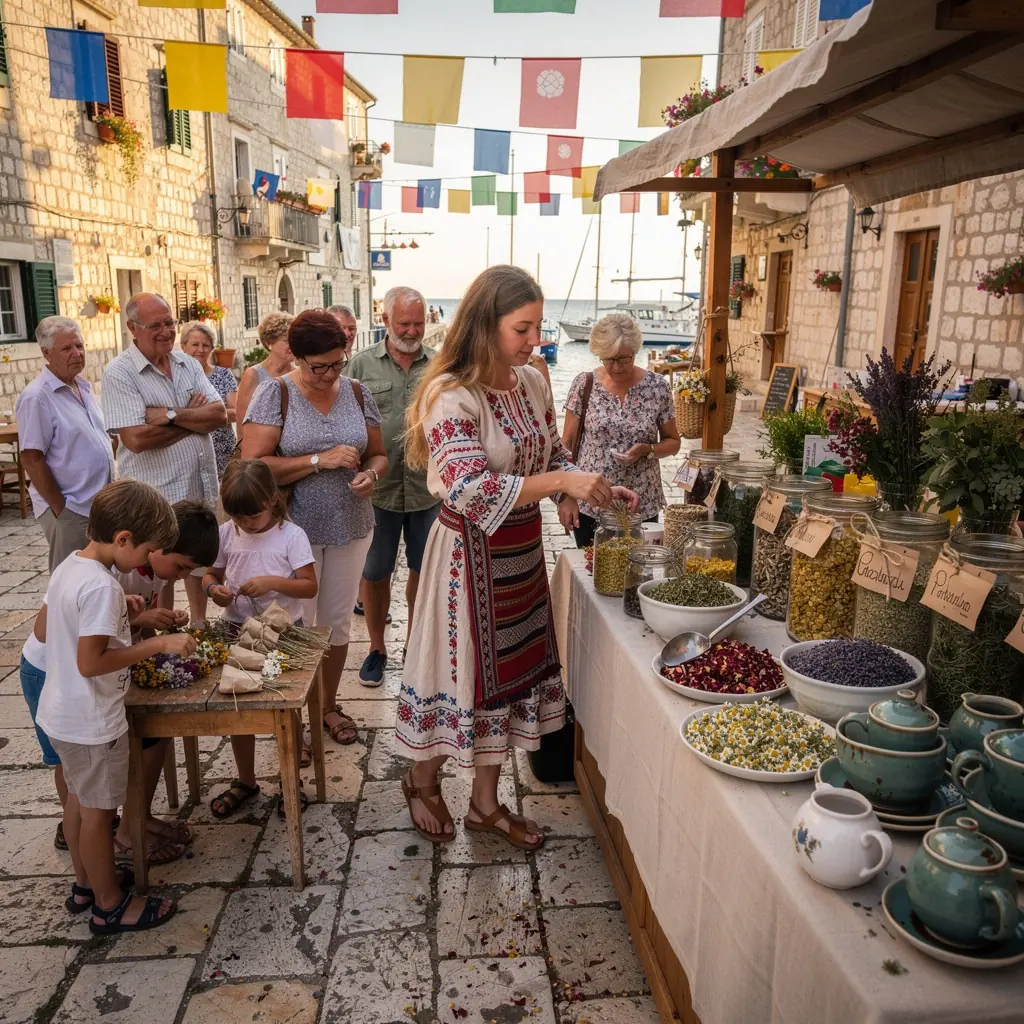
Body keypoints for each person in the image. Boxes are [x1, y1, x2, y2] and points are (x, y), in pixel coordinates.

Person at [397, 266, 636, 847]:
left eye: (537, 326)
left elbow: (551, 454)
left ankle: (485, 803)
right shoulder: (449, 395)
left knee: (511, 680)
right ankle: (421, 779)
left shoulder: (531, 381)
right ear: (485, 325)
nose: (534, 340)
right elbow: (471, 489)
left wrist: (586, 486)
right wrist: (561, 482)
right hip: (467, 559)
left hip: (521, 551)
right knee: (464, 675)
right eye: (522, 329)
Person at [35, 479, 196, 934]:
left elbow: (48, 628)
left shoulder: (71, 565)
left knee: (79, 804)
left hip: (61, 713)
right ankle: (109, 906)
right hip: (91, 722)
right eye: (147, 550)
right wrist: (157, 644)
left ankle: (86, 886)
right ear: (123, 539)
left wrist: (119, 610)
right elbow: (92, 663)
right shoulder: (101, 587)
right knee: (99, 816)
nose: (148, 560)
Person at [23, 500, 219, 860]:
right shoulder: (105, 577)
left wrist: (137, 620)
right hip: (51, 673)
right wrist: (149, 637)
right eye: (179, 567)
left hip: (78, 683)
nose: (178, 577)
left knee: (93, 785)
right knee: (78, 786)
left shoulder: (95, 566)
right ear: (142, 544)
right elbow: (54, 634)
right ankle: (97, 848)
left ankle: (114, 838)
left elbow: (95, 631)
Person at [243, 310, 388, 752]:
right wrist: (317, 461)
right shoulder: (275, 394)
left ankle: (327, 706)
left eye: (337, 363)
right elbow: (253, 464)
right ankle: (289, 717)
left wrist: (372, 475)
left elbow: (379, 453)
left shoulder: (358, 392)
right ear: (296, 357)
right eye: (318, 367)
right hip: (293, 532)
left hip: (351, 526)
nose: (329, 375)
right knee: (290, 624)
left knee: (336, 623)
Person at [101, 293, 227, 625]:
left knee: (195, 562)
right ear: (132, 328)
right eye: (155, 325)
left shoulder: (188, 364)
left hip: (198, 489)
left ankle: (198, 626)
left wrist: (168, 415)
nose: (166, 331)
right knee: (160, 571)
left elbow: (219, 415)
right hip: (156, 497)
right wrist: (193, 419)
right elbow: (136, 439)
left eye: (169, 323)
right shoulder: (120, 373)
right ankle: (159, 633)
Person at [203, 459, 318, 819]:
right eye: (237, 517)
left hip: (283, 632)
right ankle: (246, 779)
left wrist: (272, 583)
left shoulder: (290, 536)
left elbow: (309, 585)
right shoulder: (227, 533)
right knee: (238, 705)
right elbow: (210, 573)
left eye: (252, 516)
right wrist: (214, 590)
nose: (245, 524)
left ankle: (291, 780)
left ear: (272, 499)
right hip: (236, 628)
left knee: (283, 706)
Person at [346, 286, 438, 687]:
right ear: (385, 320)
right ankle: (376, 648)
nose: (413, 331)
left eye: (419, 323)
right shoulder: (360, 366)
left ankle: (415, 646)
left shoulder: (441, 366)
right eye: (404, 323)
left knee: (424, 570)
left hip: (428, 490)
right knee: (375, 571)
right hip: (377, 492)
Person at [560, 312, 681, 548]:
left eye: (623, 359)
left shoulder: (657, 387)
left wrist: (648, 450)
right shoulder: (584, 384)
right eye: (608, 359)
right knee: (590, 565)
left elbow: (673, 442)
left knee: (640, 566)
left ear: (635, 350)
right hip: (591, 501)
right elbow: (566, 445)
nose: (616, 367)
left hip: (642, 504)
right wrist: (566, 496)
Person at [16, 316, 114, 571]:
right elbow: (30, 458)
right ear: (46, 353)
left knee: (98, 577)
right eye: (66, 348)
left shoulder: (83, 386)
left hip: (98, 507)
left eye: (79, 346)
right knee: (71, 580)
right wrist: (62, 509)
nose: (77, 354)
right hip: (72, 508)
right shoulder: (37, 397)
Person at [179, 321, 238, 478]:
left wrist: (194, 414)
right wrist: (214, 413)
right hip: (187, 454)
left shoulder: (224, 374)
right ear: (183, 346)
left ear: (212, 348)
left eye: (206, 345)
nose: (200, 349)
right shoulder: (177, 378)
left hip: (223, 452)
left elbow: (236, 412)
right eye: (195, 344)